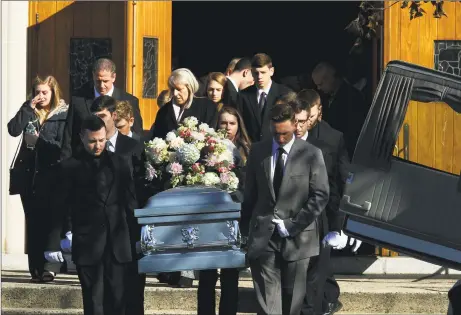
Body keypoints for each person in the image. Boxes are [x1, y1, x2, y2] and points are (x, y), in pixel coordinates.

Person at [241, 101, 329, 315]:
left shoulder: (311, 153)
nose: (280, 138)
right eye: (276, 133)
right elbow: (249, 196)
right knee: (268, 303)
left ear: (295, 126)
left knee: (293, 303)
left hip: (299, 236)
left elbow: (320, 195)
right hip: (265, 236)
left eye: (285, 133)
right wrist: (244, 233)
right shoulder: (258, 151)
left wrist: (292, 224)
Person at [44, 115, 137, 315]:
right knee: (94, 302)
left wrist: (137, 237)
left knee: (119, 301)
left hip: (118, 244)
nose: (97, 146)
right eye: (92, 141)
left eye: (102, 140)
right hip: (88, 244)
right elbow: (58, 207)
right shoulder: (69, 167)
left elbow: (130, 203)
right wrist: (54, 242)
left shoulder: (120, 163)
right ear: (82, 138)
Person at [7, 75, 69, 283]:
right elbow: (13, 129)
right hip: (29, 176)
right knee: (33, 222)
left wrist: (42, 140)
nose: (41, 96)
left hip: (53, 174)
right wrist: (27, 108)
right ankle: (35, 267)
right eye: (37, 92)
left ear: (53, 92)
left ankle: (50, 267)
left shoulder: (63, 114)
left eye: (45, 92)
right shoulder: (29, 112)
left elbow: (64, 143)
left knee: (51, 221)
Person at [294, 89, 350, 315]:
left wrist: (343, 221)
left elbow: (342, 177)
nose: (302, 124)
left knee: (317, 266)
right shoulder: (286, 139)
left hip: (323, 212)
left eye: (306, 117)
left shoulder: (332, 138)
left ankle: (323, 302)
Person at [197, 106, 252, 315]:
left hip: (233, 217)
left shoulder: (246, 150)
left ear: (238, 126)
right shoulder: (205, 148)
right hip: (209, 218)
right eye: (223, 123)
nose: (227, 127)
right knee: (207, 274)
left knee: (230, 275)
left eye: (232, 123)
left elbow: (249, 186)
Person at [61, 58, 143, 160]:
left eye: (105, 81)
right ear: (93, 76)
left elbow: (137, 134)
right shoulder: (78, 100)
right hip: (84, 163)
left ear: (114, 77)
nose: (101, 85)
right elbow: (69, 135)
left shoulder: (129, 101)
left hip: (119, 161)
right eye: (98, 81)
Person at [311, 62, 369, 158]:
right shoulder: (326, 96)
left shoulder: (352, 97)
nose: (318, 88)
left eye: (320, 84)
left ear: (330, 78)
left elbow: (353, 131)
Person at [237, 53, 292, 142]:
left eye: (263, 72)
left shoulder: (285, 93)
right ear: (251, 72)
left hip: (277, 145)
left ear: (271, 71)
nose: (259, 77)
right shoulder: (243, 96)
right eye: (256, 73)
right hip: (251, 148)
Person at [150, 68, 218, 141]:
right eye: (173, 89)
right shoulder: (164, 111)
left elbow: (211, 136)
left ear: (190, 88)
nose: (175, 94)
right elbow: (157, 137)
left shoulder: (207, 107)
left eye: (179, 89)